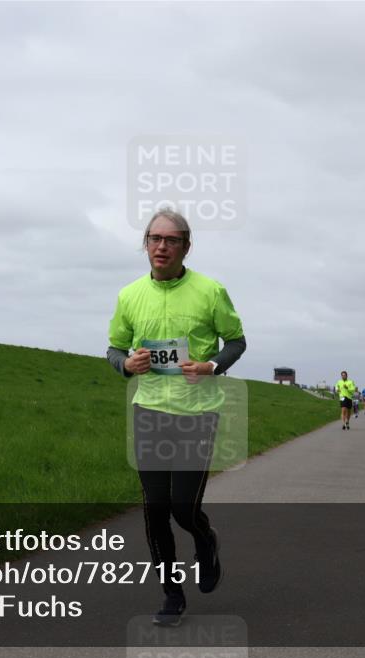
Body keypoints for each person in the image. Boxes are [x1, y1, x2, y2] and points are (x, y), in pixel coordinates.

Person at [107, 208, 246, 627]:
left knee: (184, 509)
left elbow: (236, 342)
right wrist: (126, 365)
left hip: (197, 413)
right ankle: (171, 593)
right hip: (149, 413)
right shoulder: (129, 296)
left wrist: (212, 366)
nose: (161, 246)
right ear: (145, 244)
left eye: (171, 240)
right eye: (154, 238)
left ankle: (206, 539)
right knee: (155, 510)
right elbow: (113, 349)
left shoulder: (210, 291)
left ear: (186, 246)